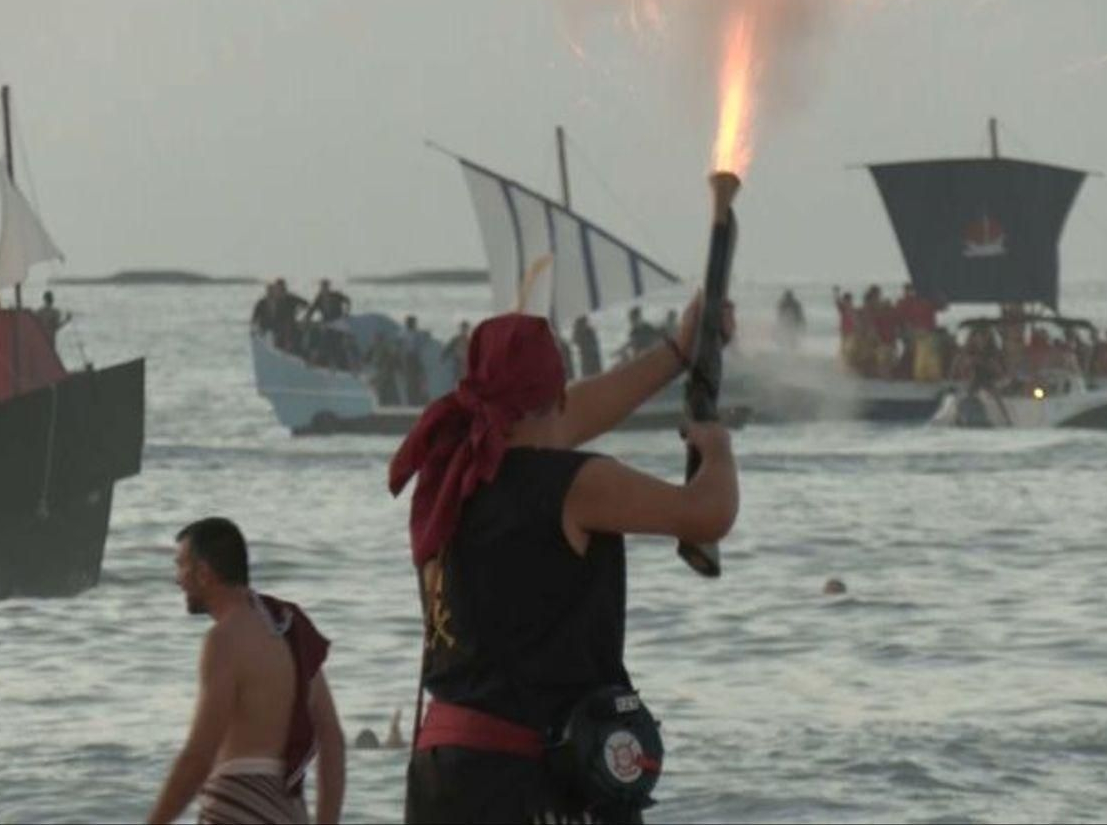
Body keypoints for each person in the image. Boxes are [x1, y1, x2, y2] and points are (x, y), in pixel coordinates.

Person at [390, 299, 738, 824]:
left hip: (445, 774)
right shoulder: (574, 486)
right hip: (528, 782)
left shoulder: (454, 473)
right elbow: (706, 515)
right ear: (555, 390)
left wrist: (677, 353)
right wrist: (717, 451)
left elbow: (570, 413)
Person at [148, 517, 344, 825]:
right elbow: (332, 740)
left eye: (181, 566)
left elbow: (198, 757)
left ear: (204, 573)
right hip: (288, 810)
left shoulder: (223, 640)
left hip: (236, 806)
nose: (178, 579)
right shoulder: (285, 628)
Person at [402, 316, 431, 406]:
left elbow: (424, 339)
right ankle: (411, 400)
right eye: (412, 323)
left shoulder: (416, 334)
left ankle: (417, 399)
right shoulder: (404, 334)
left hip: (415, 357)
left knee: (418, 379)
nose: (414, 325)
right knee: (410, 380)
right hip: (408, 358)